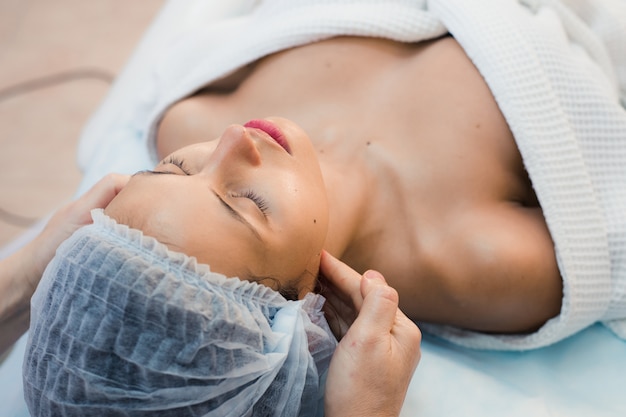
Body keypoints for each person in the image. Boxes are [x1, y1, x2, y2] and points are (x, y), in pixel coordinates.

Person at [0, 174, 421, 417]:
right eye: (250, 205)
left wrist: (24, 278)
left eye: (174, 169)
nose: (235, 134)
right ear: (308, 328)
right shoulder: (459, 258)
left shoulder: (184, 118)